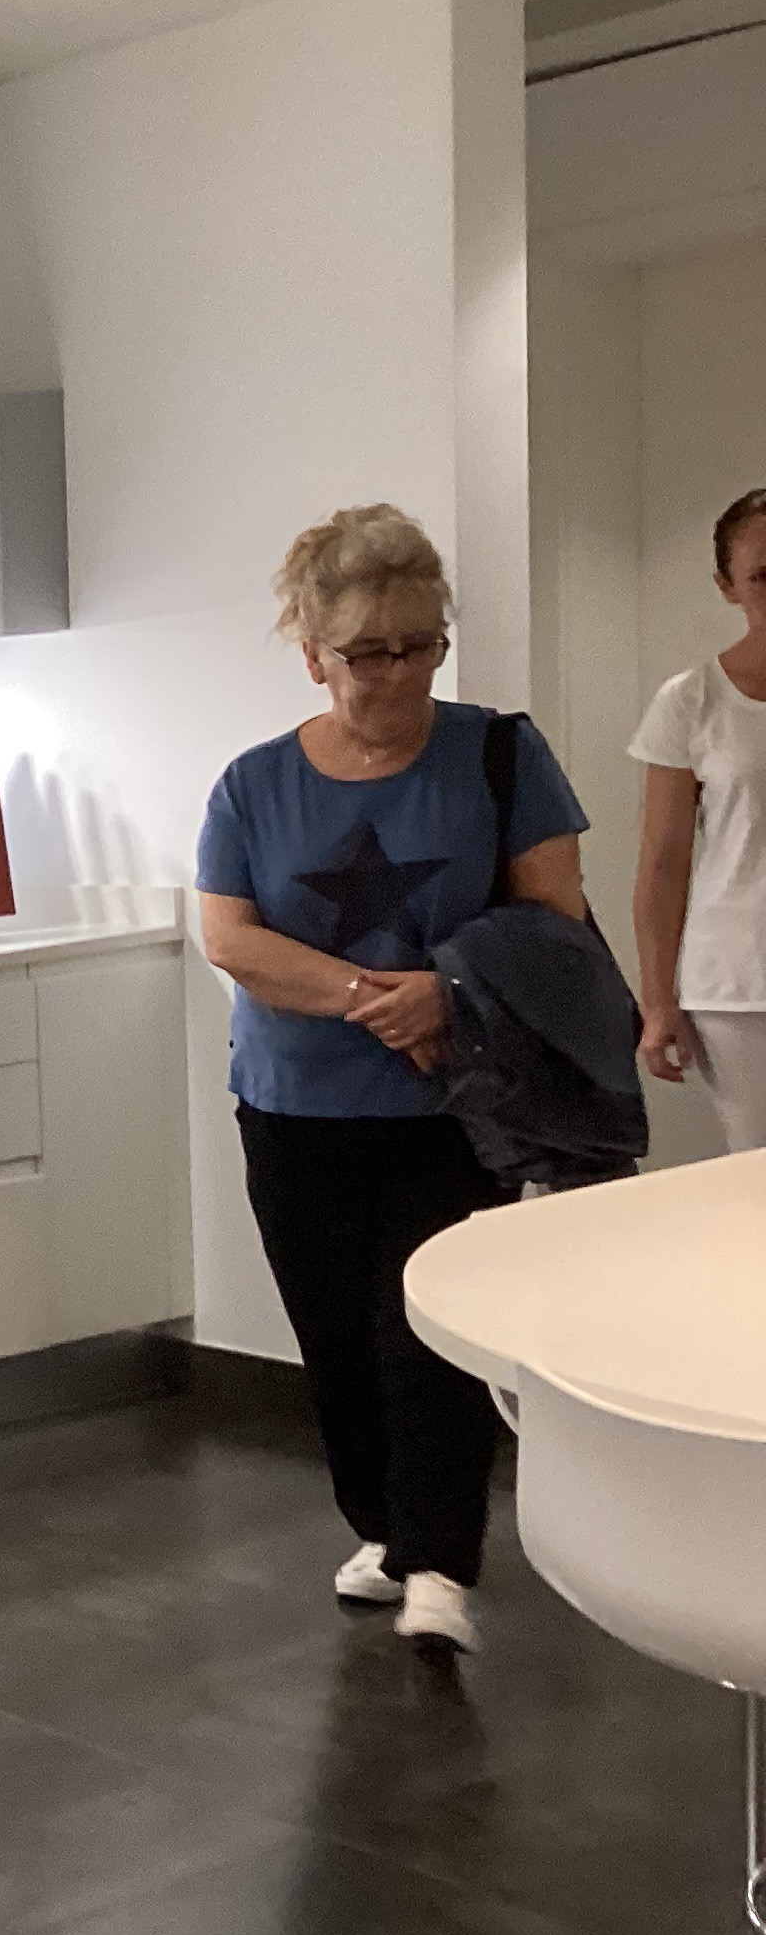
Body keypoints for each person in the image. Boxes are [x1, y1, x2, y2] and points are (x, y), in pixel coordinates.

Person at [196, 505, 591, 1654]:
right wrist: (385, 999)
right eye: (368, 652)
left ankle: (442, 1563)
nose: (398, 675)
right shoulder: (253, 785)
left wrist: (448, 996)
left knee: (429, 1343)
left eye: (420, 646)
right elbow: (231, 938)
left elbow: (555, 917)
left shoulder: (499, 756)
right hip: (292, 1109)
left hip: (451, 1112)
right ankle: (385, 1530)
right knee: (335, 1347)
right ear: (313, 655)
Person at [629, 488, 766, 1149]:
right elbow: (663, 864)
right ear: (728, 586)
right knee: (755, 1175)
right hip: (740, 986)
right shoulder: (691, 700)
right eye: (763, 575)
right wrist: (658, 1003)